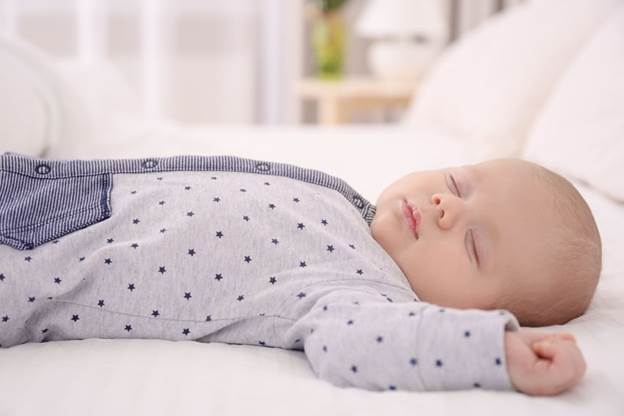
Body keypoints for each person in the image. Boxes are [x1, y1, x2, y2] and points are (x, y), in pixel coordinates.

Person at [0, 152, 600, 396]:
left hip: (39, 263)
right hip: (53, 190)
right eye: (459, 184)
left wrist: (498, 349)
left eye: (474, 244)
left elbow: (365, 350)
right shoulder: (354, 212)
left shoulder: (365, 293)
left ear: (464, 311)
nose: (448, 206)